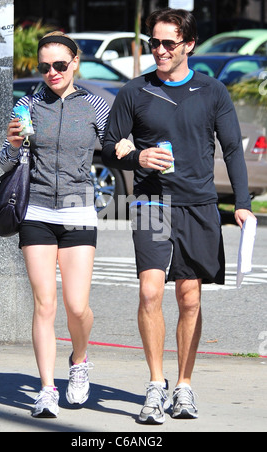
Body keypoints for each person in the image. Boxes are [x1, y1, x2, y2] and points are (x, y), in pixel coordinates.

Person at [102, 8, 256, 424]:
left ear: (188, 45)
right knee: (150, 291)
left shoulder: (212, 91)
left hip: (199, 205)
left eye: (168, 42)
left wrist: (241, 203)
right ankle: (155, 384)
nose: (160, 50)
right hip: (152, 203)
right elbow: (108, 145)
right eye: (154, 42)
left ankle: (184, 385)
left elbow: (230, 150)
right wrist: (136, 156)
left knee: (189, 297)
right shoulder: (135, 92)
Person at [0, 32, 110, 418]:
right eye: (44, 67)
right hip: (37, 212)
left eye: (60, 65)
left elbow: (114, 145)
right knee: (44, 303)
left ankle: (78, 362)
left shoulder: (95, 105)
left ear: (75, 62)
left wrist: (131, 149)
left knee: (76, 306)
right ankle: (46, 389)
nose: (52, 73)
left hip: (79, 210)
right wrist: (12, 145)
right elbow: (4, 160)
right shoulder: (27, 104)